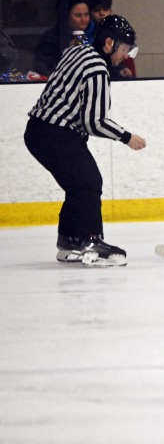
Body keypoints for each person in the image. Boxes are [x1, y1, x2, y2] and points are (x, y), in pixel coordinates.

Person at [24, 15, 146, 267]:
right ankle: (91, 241)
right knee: (89, 183)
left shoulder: (77, 51)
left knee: (79, 184)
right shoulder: (97, 69)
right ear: (109, 43)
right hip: (56, 133)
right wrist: (127, 137)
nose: (126, 56)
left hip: (37, 130)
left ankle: (69, 241)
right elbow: (94, 122)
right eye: (125, 48)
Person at [33, 0, 96, 76]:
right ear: (66, 16)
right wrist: (67, 51)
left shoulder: (97, 34)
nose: (83, 19)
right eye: (78, 15)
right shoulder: (52, 38)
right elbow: (43, 67)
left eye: (86, 15)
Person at [87, 0, 136, 78]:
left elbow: (129, 65)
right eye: (96, 10)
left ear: (110, 11)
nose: (102, 13)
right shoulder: (85, 34)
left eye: (105, 9)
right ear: (90, 13)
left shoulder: (122, 33)